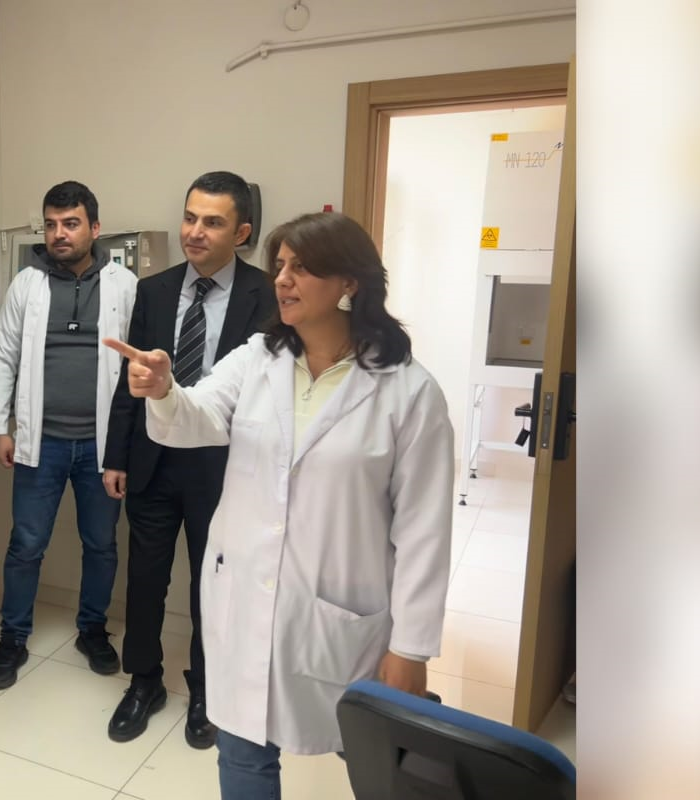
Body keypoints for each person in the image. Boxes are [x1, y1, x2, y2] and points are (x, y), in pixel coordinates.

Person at [106, 212, 453, 798]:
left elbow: (425, 531)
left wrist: (411, 648)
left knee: (375, 760)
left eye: (302, 267)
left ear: (350, 283)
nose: (283, 280)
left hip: (340, 609)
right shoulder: (258, 358)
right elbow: (198, 417)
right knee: (243, 754)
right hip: (245, 597)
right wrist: (164, 390)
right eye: (280, 266)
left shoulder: (409, 391)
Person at [101, 171, 276, 748]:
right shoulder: (153, 291)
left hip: (222, 469)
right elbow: (131, 381)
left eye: (213, 222)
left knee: (215, 585)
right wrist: (116, 456)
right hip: (152, 460)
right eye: (190, 217)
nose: (195, 232)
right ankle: (143, 681)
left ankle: (206, 688)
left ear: (242, 233)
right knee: (145, 579)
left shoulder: (268, 295)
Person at [0, 180, 137, 688]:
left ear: (95, 227)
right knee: (26, 544)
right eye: (51, 225)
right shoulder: (26, 284)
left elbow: (136, 366)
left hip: (101, 445)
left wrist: (128, 445)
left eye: (70, 224)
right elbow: (3, 355)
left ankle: (92, 629)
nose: (59, 234)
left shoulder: (124, 284)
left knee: (102, 543)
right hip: (39, 441)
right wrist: (0, 427)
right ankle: (13, 636)